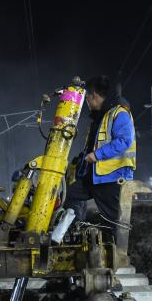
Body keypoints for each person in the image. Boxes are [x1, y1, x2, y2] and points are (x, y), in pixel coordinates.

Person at [61, 74, 135, 241]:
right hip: (95, 177)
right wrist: (81, 159)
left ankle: (119, 256)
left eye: (87, 98)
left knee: (114, 221)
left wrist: (97, 155)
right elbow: (94, 145)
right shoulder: (101, 117)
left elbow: (124, 140)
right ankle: (75, 234)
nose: (87, 103)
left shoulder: (119, 113)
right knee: (69, 195)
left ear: (94, 95)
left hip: (112, 178)